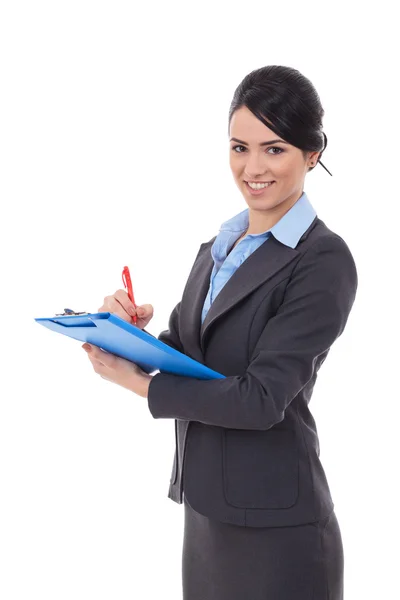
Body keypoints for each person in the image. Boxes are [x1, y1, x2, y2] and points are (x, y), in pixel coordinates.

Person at [85, 65, 358, 600]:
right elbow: (188, 356)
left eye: (274, 149)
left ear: (312, 153)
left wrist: (135, 384)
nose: (253, 167)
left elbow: (259, 399)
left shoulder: (323, 259)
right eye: (240, 147)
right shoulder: (218, 247)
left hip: (281, 535)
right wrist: (121, 334)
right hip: (207, 511)